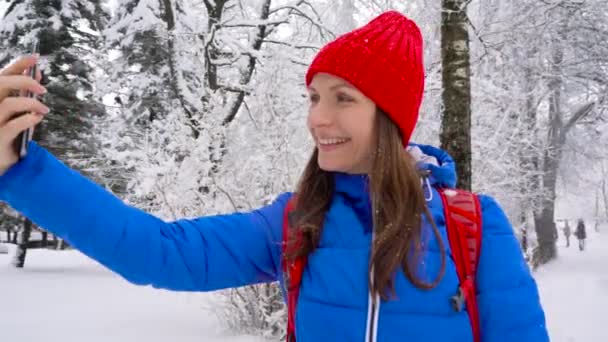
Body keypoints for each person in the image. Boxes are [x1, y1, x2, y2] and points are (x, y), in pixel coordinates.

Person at [0, 11, 548, 342]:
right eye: (312, 97)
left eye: (342, 99)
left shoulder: (473, 228)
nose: (318, 118)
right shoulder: (296, 221)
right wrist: (21, 171)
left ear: (390, 118)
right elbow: (159, 252)